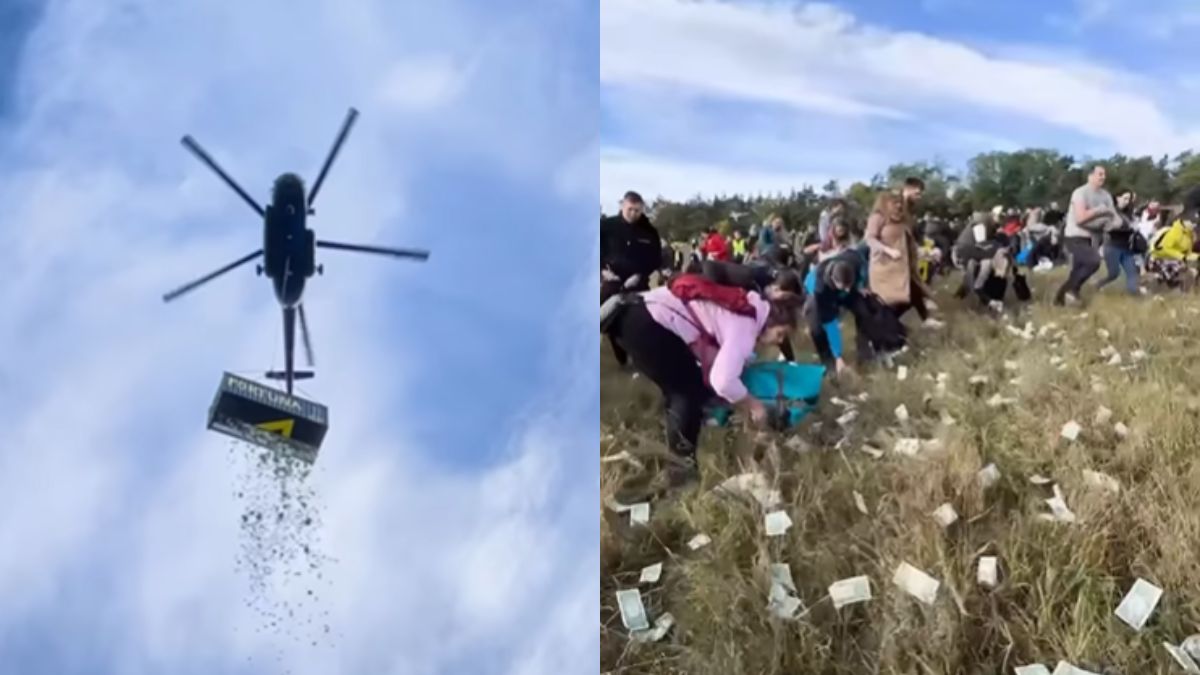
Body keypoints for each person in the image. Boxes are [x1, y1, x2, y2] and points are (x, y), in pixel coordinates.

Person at [604, 281, 800, 489]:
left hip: (635, 311)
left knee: (687, 389)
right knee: (686, 395)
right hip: (646, 323)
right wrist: (753, 404)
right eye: (780, 334)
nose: (778, 341)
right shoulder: (746, 328)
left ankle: (677, 454)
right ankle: (681, 474)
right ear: (770, 321)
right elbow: (722, 381)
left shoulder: (750, 305)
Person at [864, 180, 941, 329]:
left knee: (911, 292)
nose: (898, 205)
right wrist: (888, 251)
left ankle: (922, 320)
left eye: (899, 203)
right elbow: (870, 239)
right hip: (884, 268)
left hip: (902, 266)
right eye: (894, 202)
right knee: (891, 301)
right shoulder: (878, 217)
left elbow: (909, 241)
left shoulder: (901, 219)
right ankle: (883, 329)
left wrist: (925, 253)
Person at [601, 191, 662, 365]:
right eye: (630, 209)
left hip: (638, 282)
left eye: (638, 210)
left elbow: (655, 259)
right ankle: (621, 359)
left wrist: (641, 274)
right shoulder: (605, 226)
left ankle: (643, 358)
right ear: (622, 205)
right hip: (612, 281)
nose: (634, 214)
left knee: (647, 319)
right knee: (609, 321)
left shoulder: (649, 232)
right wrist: (602, 270)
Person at [1054, 165, 1116, 307]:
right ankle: (1071, 291)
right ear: (1090, 176)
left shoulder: (1106, 195)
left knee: (1077, 271)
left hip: (1093, 238)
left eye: (1104, 174)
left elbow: (1112, 215)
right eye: (1100, 174)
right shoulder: (1080, 193)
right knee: (1093, 261)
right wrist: (1099, 211)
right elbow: (1080, 218)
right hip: (1075, 235)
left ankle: (1059, 301)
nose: (1103, 177)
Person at [1094, 190, 1142, 296]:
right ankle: (1098, 285)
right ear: (1117, 198)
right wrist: (1129, 228)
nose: (1127, 201)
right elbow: (1108, 229)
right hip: (1112, 247)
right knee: (1114, 274)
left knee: (1132, 272)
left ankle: (1134, 294)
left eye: (1129, 199)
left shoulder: (1129, 213)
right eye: (1125, 198)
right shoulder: (1110, 212)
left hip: (1126, 248)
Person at [1147, 211, 1199, 289]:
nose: (1193, 226)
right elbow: (1165, 248)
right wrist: (1182, 257)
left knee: (1183, 272)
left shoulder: (1189, 236)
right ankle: (1147, 286)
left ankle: (1175, 289)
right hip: (1158, 257)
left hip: (1172, 260)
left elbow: (1188, 253)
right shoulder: (1174, 232)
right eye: (1191, 222)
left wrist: (1197, 257)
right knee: (1168, 275)